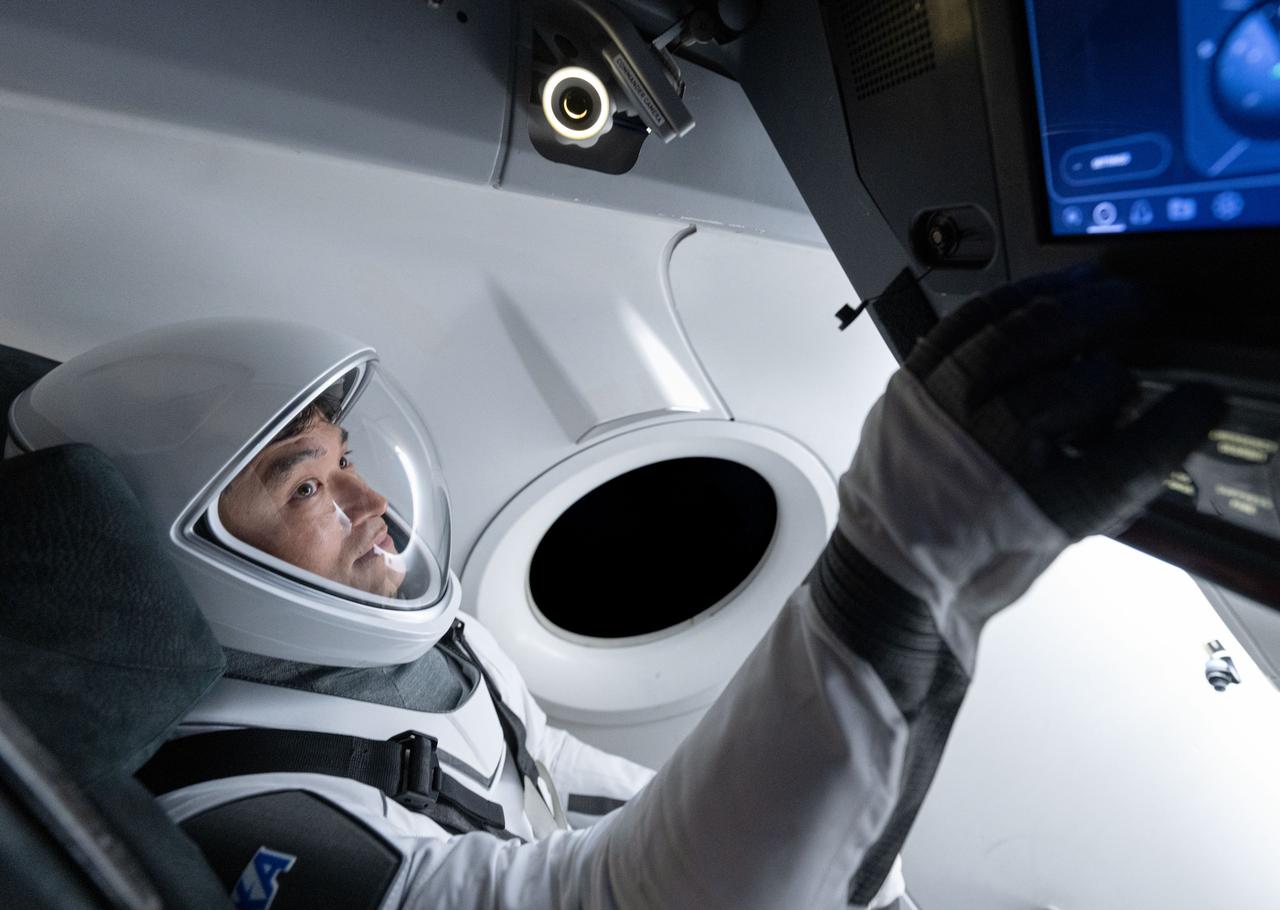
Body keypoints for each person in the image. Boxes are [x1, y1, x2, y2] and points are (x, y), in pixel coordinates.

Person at [6, 269, 1221, 909]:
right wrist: (903, 562)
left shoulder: (420, 647)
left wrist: (869, 883)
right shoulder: (245, 820)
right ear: (171, 543)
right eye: (305, 489)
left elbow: (594, 798)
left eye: (347, 462)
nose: (373, 505)